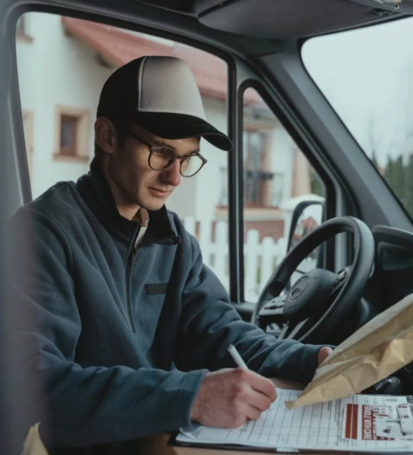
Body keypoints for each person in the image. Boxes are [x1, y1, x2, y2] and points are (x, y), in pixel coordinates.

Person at [10, 56, 332, 454]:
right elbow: (35, 385)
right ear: (107, 137)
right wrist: (190, 396)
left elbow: (220, 333)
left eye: (187, 159)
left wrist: (312, 359)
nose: (174, 177)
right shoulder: (41, 234)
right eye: (161, 152)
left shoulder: (173, 238)